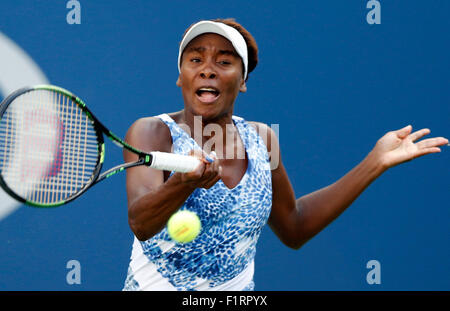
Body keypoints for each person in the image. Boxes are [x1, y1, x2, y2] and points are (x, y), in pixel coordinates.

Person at [122, 18, 448, 291]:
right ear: (181, 75)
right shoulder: (152, 132)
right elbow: (141, 222)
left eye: (224, 61)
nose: (208, 70)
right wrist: (183, 184)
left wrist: (374, 162)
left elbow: (295, 226)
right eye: (195, 59)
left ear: (243, 80)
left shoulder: (263, 139)